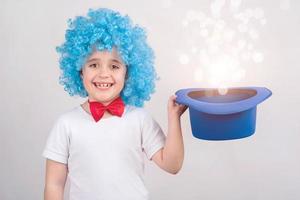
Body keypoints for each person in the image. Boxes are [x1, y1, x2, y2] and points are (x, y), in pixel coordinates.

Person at [42, 8, 187, 200]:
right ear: (79, 71)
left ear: (127, 74)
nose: (104, 74)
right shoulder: (66, 124)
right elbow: (54, 184)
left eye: (114, 66)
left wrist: (174, 118)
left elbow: (172, 165)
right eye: (93, 64)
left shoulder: (139, 119)